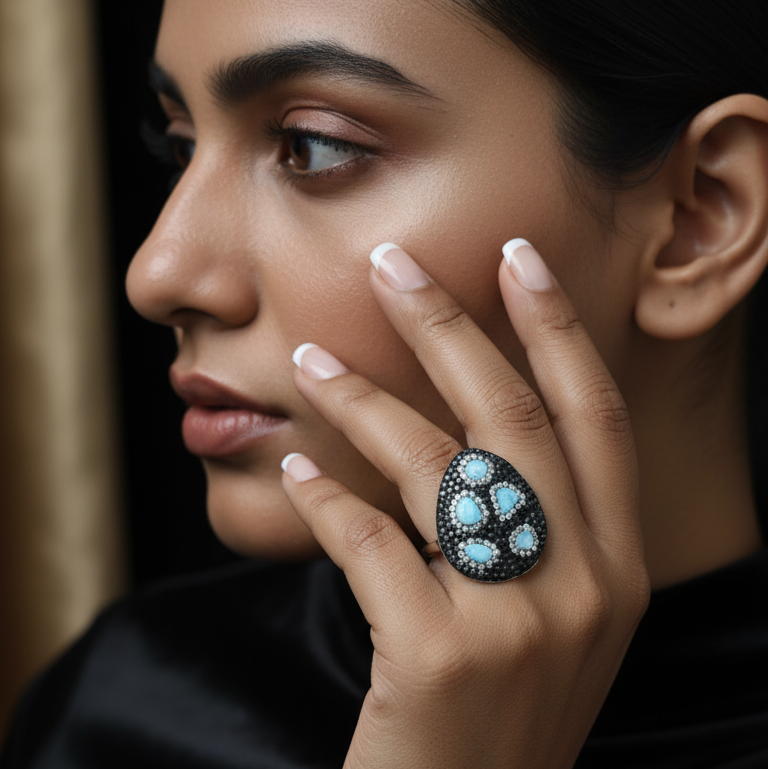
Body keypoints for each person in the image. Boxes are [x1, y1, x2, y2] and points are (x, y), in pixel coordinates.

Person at [2, 0, 767, 767]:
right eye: (179, 146)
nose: (155, 273)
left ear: (701, 215)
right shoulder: (121, 715)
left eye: (312, 146)